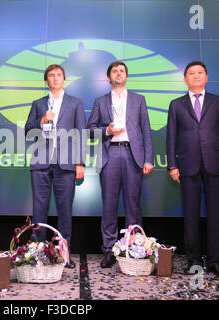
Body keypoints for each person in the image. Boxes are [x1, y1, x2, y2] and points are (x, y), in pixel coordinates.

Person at [166, 61, 219, 277]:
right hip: (188, 165)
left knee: (215, 214)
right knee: (190, 215)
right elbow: (171, 138)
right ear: (185, 79)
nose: (196, 76)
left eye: (200, 73)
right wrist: (172, 165)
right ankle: (193, 260)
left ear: (206, 77)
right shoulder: (176, 104)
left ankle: (215, 261)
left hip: (215, 164)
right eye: (191, 73)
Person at [87, 61, 153, 268]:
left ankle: (135, 248)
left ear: (126, 76)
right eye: (114, 71)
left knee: (133, 204)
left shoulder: (139, 100)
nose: (118, 73)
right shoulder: (100, 101)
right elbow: (90, 129)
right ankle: (108, 250)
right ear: (108, 78)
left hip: (133, 154)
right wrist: (106, 131)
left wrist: (148, 158)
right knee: (109, 205)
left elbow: (146, 130)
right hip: (110, 153)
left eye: (121, 71)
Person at [24, 64, 86, 269]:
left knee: (65, 209)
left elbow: (80, 134)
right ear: (46, 80)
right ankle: (37, 253)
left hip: (66, 164)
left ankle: (63, 254)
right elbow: (28, 131)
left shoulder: (75, 103)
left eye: (59, 75)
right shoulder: (38, 104)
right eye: (51, 75)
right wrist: (41, 121)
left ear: (64, 79)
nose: (55, 78)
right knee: (39, 210)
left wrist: (80, 162)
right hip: (41, 162)